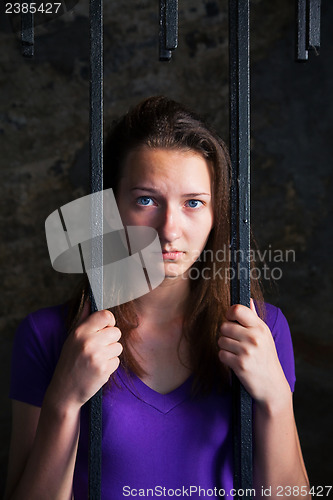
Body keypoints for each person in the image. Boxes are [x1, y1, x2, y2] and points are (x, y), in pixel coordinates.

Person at [5, 96, 310, 499]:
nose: (169, 229)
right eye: (146, 199)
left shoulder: (261, 331)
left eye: (193, 203)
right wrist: (64, 401)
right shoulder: (46, 336)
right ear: (111, 208)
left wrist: (274, 398)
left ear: (216, 213)